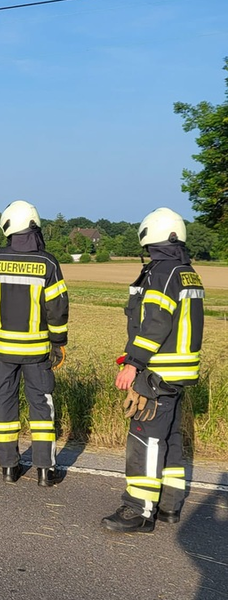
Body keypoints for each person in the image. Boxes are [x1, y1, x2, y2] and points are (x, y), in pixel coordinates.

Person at [101, 207, 204, 533]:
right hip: (180, 371)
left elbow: (156, 322)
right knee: (170, 438)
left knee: (144, 439)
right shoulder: (186, 271)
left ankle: (139, 510)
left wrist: (133, 363)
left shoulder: (161, 273)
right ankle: (169, 506)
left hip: (158, 372)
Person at [0, 200, 68, 487]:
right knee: (42, 409)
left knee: (3, 406)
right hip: (38, 352)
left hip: (1, 350)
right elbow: (58, 308)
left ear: (8, 229)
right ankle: (43, 471)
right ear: (35, 227)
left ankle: (8, 468)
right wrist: (58, 343)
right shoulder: (48, 263)